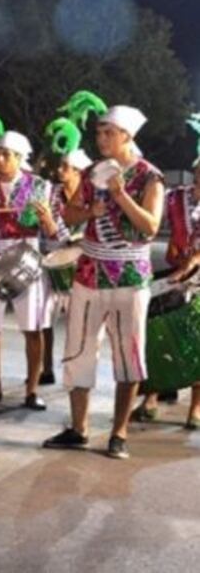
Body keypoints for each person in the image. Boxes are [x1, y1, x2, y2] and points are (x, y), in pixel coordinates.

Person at [43, 104, 164, 460]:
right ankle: (79, 429)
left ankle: (119, 432)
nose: (101, 138)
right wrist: (88, 212)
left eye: (108, 132)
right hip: (90, 272)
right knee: (78, 351)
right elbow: (68, 213)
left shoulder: (149, 176)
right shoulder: (92, 172)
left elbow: (150, 227)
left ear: (127, 136)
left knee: (128, 355)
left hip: (130, 276)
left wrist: (120, 195)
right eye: (98, 132)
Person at [0, 131, 58, 411]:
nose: (0, 159)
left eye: (7, 154)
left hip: (28, 257)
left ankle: (32, 389)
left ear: (21, 158)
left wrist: (47, 221)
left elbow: (54, 230)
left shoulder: (40, 186)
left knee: (32, 327)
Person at [132, 126, 200, 426]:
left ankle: (196, 408)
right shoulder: (175, 198)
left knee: (197, 342)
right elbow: (154, 224)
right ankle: (151, 396)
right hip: (175, 273)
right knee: (158, 336)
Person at [38, 119, 91, 385]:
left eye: (67, 168)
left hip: (80, 265)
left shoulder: (91, 198)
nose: (60, 171)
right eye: (60, 166)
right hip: (50, 260)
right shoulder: (50, 193)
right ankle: (46, 367)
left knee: (77, 321)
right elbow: (46, 230)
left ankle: (73, 366)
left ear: (80, 173)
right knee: (45, 316)